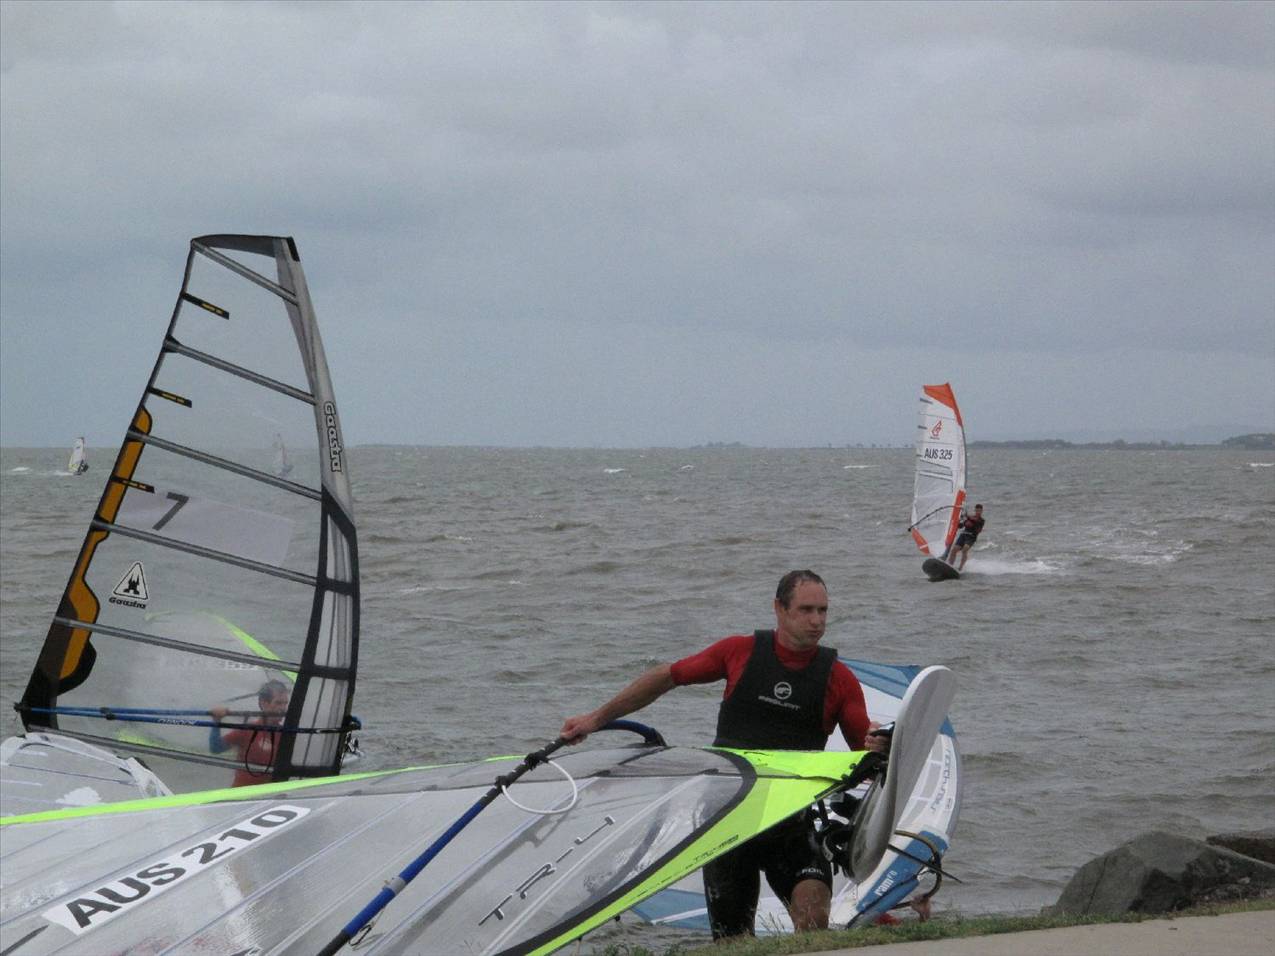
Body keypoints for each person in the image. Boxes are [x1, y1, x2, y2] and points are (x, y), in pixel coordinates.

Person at [559, 570, 889, 941]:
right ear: (779, 609)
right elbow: (667, 676)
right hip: (729, 819)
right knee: (733, 941)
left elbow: (863, 752)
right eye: (806, 610)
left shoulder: (838, 678)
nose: (817, 621)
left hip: (790, 820)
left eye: (823, 611)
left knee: (814, 916)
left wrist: (876, 745)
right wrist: (596, 719)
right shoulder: (739, 653)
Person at [209, 679, 290, 787]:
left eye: (285, 703)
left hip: (269, 794)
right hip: (242, 793)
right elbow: (215, 748)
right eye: (278, 703)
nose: (283, 708)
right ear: (264, 703)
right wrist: (216, 721)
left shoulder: (286, 734)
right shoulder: (247, 730)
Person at [946, 503, 985, 570]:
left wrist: (967, 516)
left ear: (981, 511)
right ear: (975, 510)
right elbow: (961, 526)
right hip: (963, 535)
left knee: (965, 549)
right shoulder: (969, 518)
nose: (978, 512)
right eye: (977, 510)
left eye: (979, 511)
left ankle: (960, 568)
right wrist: (958, 520)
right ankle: (950, 565)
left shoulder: (981, 520)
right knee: (954, 550)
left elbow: (975, 522)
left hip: (971, 537)